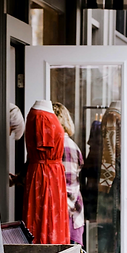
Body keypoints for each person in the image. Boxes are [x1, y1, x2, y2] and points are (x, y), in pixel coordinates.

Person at [22, 99, 70, 244]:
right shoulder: (42, 117)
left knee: (46, 218)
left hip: (48, 174)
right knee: (46, 219)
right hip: (47, 176)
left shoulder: (38, 115)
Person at [52, 102, 85, 245]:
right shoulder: (68, 145)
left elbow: (68, 187)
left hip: (67, 216)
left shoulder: (64, 145)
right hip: (69, 215)